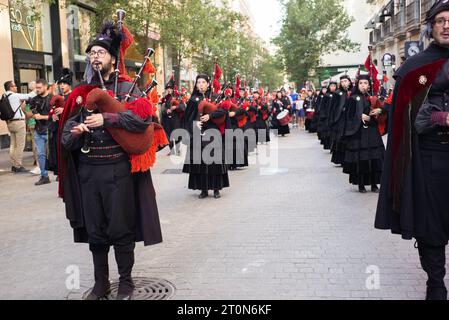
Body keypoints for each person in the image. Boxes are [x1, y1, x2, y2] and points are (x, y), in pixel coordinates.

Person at [59, 20, 163, 300]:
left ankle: (126, 283)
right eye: (91, 53)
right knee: (96, 232)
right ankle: (100, 284)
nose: (95, 56)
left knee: (120, 229)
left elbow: (142, 120)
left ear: (113, 59)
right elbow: (65, 137)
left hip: (118, 171)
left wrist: (107, 117)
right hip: (88, 171)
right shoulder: (80, 94)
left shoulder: (129, 88)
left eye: (100, 53)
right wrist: (78, 131)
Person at [376, 1, 449, 300]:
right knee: (431, 227)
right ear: (431, 26)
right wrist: (441, 117)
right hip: (430, 159)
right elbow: (408, 116)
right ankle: (436, 283)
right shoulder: (415, 69)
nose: (447, 25)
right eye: (441, 20)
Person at [182, 74, 230, 199]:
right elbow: (187, 118)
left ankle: (216, 189)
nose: (201, 84)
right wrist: (194, 122)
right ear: (196, 85)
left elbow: (224, 111)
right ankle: (203, 189)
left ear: (208, 84)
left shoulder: (215, 97)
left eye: (203, 82)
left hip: (213, 132)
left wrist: (210, 116)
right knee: (201, 163)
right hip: (198, 133)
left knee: (215, 162)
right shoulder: (192, 100)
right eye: (199, 82)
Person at [342, 75, 385, 193]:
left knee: (374, 156)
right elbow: (347, 116)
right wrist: (359, 116)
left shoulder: (373, 98)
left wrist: (379, 111)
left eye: (365, 83)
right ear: (357, 84)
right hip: (359, 132)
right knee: (362, 158)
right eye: (361, 83)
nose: (363, 85)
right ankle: (361, 184)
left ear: (369, 85)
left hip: (372, 131)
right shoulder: (352, 98)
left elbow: (382, 112)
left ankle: (374, 184)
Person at [3, 80, 36, 173]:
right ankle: (18, 166)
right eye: (15, 86)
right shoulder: (14, 95)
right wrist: (35, 89)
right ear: (11, 87)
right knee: (20, 145)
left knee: (13, 145)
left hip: (10, 123)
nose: (16, 87)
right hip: (18, 123)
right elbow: (29, 96)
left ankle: (14, 165)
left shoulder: (4, 96)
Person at [47, 68, 73, 177]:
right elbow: (51, 111)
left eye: (64, 84)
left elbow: (77, 111)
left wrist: (65, 110)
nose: (62, 86)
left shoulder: (73, 96)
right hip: (58, 131)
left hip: (69, 131)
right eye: (61, 84)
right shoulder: (58, 97)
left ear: (69, 85)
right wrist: (52, 116)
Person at [28, 79, 52, 185]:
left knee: (54, 153)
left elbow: (56, 116)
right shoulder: (34, 99)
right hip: (38, 130)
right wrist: (26, 110)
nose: (37, 90)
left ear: (46, 86)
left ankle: (61, 175)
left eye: (39, 87)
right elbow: (28, 115)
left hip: (50, 130)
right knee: (41, 155)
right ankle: (44, 176)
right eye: (36, 88)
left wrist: (41, 116)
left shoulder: (53, 99)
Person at [329, 75, 352, 166]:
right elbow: (333, 108)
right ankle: (341, 160)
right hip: (341, 120)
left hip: (351, 120)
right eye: (342, 82)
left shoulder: (353, 92)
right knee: (340, 139)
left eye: (345, 81)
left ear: (349, 82)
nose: (344, 83)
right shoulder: (337, 93)